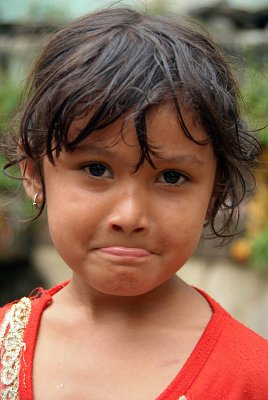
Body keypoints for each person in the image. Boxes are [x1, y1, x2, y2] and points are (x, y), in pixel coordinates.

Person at [0, 7, 267, 400]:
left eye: (172, 177)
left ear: (215, 191)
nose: (130, 216)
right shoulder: (5, 341)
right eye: (96, 169)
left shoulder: (251, 379)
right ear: (34, 174)